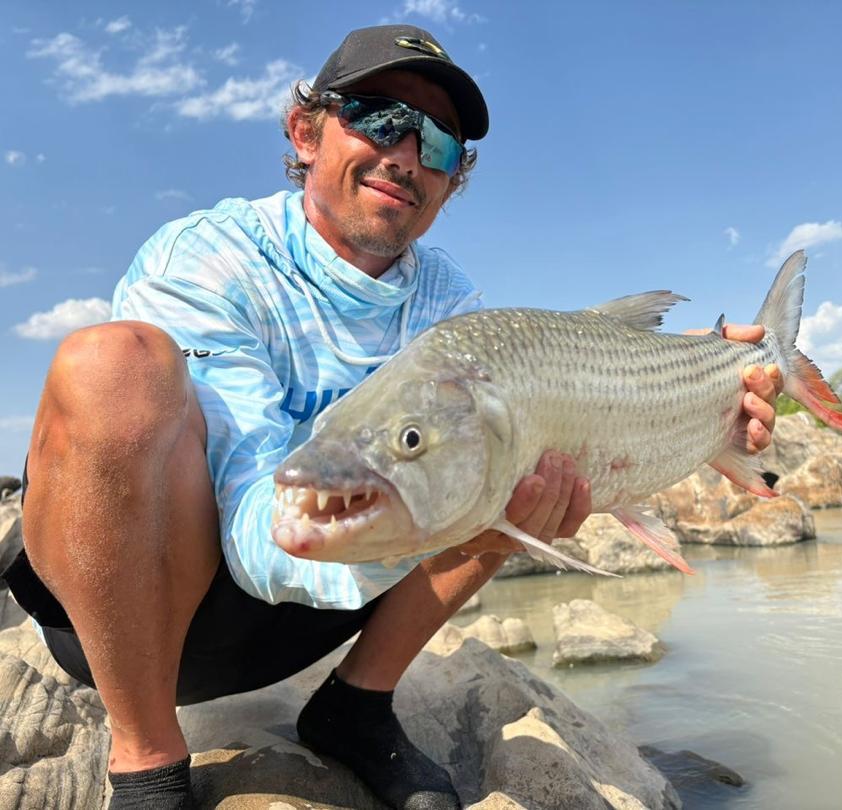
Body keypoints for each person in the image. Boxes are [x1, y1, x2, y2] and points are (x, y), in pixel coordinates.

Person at [4, 24, 783, 810]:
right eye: (379, 117)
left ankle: (354, 704)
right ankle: (144, 756)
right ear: (306, 132)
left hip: (316, 603)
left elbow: (561, 383)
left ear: (451, 181)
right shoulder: (206, 259)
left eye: (440, 144)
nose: (407, 153)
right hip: (137, 612)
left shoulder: (450, 305)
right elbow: (251, 525)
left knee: (502, 449)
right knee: (109, 366)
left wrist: (683, 385)